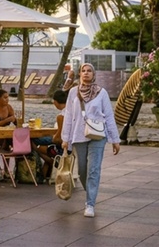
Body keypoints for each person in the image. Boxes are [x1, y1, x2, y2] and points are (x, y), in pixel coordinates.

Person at [61, 62, 121, 218]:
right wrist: (65, 138)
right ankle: (91, 192)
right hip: (79, 135)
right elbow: (68, 116)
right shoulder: (73, 92)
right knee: (82, 171)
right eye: (83, 71)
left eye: (89, 71)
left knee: (93, 170)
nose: (86, 73)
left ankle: (90, 204)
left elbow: (108, 116)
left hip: (98, 136)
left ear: (94, 75)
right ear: (80, 74)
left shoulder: (102, 93)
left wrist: (115, 139)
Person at [34, 89, 67, 179]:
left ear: (55, 102)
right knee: (41, 141)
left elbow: (58, 138)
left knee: (33, 141)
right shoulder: (72, 112)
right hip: (70, 145)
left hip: (61, 145)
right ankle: (48, 164)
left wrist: (53, 137)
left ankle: (50, 162)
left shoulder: (61, 116)